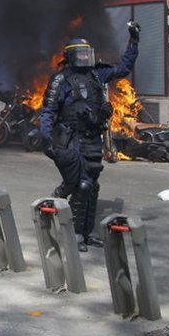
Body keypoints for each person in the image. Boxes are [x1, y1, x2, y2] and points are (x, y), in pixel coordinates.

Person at [40, 22, 140, 252]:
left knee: (92, 186)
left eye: (88, 54)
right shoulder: (60, 80)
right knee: (81, 185)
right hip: (70, 139)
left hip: (93, 137)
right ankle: (73, 232)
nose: (85, 58)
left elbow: (123, 68)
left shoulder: (97, 74)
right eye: (81, 54)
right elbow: (48, 111)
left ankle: (87, 232)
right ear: (70, 57)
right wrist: (46, 138)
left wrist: (134, 42)